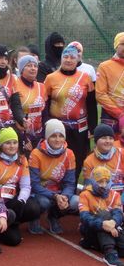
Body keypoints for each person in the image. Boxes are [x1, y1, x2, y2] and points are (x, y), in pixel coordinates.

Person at [44, 44, 97, 180]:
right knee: (58, 160)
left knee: (79, 159)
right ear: (61, 59)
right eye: (65, 57)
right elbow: (45, 103)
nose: (68, 60)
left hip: (80, 128)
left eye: (72, 57)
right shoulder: (50, 78)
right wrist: (47, 124)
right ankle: (58, 189)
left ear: (77, 60)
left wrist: (93, 127)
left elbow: (91, 104)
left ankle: (72, 189)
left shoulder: (85, 78)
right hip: (59, 128)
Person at [28, 119, 78, 234]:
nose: (57, 139)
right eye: (53, 136)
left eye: (61, 136)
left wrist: (64, 196)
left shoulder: (69, 154)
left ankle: (53, 217)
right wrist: (55, 196)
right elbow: (34, 184)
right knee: (44, 202)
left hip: (59, 192)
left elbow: (70, 183)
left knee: (76, 202)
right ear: (47, 137)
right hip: (39, 193)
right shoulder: (36, 154)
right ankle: (34, 219)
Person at [0, 128, 40, 238]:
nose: (12, 146)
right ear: (1, 145)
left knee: (34, 208)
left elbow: (26, 186)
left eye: (15, 142)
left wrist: (21, 201)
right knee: (14, 240)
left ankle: (12, 223)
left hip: (13, 201)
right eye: (8, 143)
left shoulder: (22, 159)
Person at [78, 166, 124, 266]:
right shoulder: (85, 194)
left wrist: (113, 222)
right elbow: (84, 217)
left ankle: (91, 244)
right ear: (93, 181)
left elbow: (118, 213)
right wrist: (103, 224)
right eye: (100, 182)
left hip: (112, 227)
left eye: (106, 181)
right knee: (103, 214)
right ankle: (109, 253)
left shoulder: (115, 195)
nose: (103, 185)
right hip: (89, 228)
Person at [16, 55, 46, 154]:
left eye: (35, 66)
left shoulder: (41, 87)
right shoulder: (15, 85)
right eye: (29, 65)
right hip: (22, 134)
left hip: (39, 135)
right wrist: (23, 137)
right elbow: (12, 113)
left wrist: (44, 134)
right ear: (21, 69)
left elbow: (44, 112)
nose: (33, 68)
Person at [96, 32, 124, 132]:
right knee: (109, 146)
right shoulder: (104, 66)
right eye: (122, 44)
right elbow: (100, 94)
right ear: (116, 46)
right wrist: (120, 114)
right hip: (110, 118)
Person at [82, 124, 124, 191]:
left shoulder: (121, 154)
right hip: (99, 195)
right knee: (75, 200)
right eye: (104, 138)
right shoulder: (89, 161)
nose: (108, 141)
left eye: (111, 138)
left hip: (121, 194)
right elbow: (88, 186)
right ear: (96, 141)